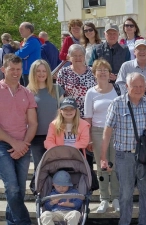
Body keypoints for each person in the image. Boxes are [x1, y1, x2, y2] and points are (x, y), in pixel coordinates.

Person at [101, 72, 146, 225]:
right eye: (135, 86)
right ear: (126, 86)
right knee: (125, 194)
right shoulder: (117, 103)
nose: (139, 89)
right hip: (124, 156)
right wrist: (103, 157)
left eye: (141, 86)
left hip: (145, 157)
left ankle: (144, 223)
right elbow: (107, 132)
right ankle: (124, 222)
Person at [0, 54, 38, 225]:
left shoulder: (27, 92)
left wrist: (23, 144)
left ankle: (11, 222)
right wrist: (14, 143)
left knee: (19, 191)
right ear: (3, 70)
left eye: (18, 69)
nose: (16, 72)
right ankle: (24, 223)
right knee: (12, 188)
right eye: (11, 69)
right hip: (2, 145)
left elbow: (33, 123)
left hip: (23, 144)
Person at [84, 59, 120, 213]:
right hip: (98, 132)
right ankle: (104, 199)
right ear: (95, 73)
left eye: (106, 69)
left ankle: (116, 198)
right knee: (102, 166)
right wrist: (89, 138)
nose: (103, 72)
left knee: (116, 165)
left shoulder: (118, 89)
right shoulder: (90, 93)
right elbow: (88, 118)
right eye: (100, 70)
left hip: (117, 131)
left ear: (109, 73)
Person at [27, 60, 64, 169]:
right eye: (38, 71)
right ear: (33, 73)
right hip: (36, 137)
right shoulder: (27, 91)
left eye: (44, 71)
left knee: (56, 168)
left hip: (56, 135)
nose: (41, 73)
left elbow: (65, 112)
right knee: (39, 169)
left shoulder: (57, 89)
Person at [57, 44, 96, 117]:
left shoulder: (93, 72)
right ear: (69, 57)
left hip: (90, 114)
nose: (78, 58)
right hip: (70, 114)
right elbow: (59, 95)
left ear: (84, 57)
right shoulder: (63, 72)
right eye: (74, 55)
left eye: (80, 55)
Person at [15, 22, 42, 86]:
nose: (20, 31)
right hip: (27, 70)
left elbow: (21, 54)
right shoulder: (28, 41)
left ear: (28, 30)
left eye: (21, 29)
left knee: (29, 92)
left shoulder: (32, 41)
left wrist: (12, 55)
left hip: (30, 71)